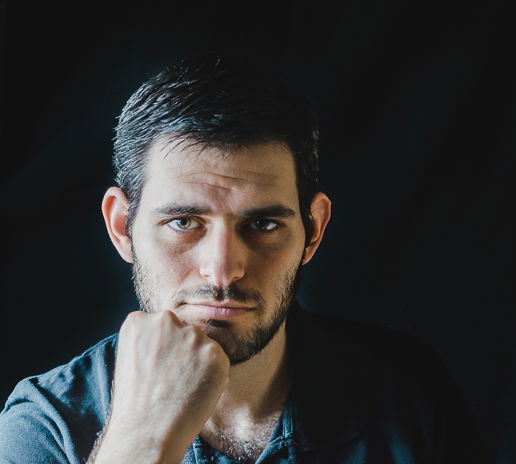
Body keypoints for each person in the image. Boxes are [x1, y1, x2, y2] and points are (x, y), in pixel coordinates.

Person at [0, 55, 490, 463]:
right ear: (121, 227)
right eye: (183, 223)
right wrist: (143, 437)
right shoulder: (46, 425)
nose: (223, 269)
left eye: (262, 225)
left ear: (313, 231)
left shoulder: (407, 394)